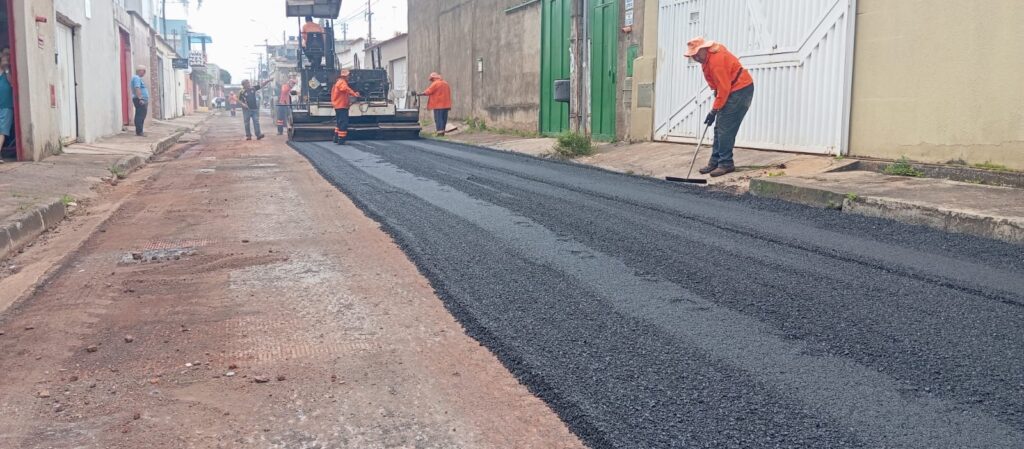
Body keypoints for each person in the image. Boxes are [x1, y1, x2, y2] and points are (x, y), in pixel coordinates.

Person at [685, 37, 754, 177]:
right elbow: (718, 86)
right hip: (731, 89)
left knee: (725, 128)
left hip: (740, 89)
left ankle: (726, 164)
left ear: (704, 49)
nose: (696, 57)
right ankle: (715, 161)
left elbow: (724, 88)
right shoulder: (706, 60)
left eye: (697, 54)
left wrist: (714, 110)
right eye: (693, 56)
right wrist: (716, 107)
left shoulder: (716, 61)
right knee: (719, 127)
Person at [330, 69, 360, 145]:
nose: (349, 77)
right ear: (345, 76)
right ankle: (341, 139)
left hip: (339, 105)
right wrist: (354, 94)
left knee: (339, 122)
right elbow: (345, 89)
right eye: (348, 75)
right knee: (343, 122)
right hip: (341, 106)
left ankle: (336, 138)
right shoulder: (341, 82)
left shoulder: (339, 82)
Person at [131, 65, 150, 136]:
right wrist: (141, 98)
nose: (144, 73)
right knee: (140, 116)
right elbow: (137, 88)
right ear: (140, 71)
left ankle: (140, 131)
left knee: (141, 115)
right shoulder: (136, 78)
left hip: (140, 99)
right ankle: (139, 132)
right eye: (144, 71)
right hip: (140, 100)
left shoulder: (137, 78)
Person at [0, 55, 12, 163]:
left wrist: (7, 69)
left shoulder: (8, 72)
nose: (5, 60)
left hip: (6, 106)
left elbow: (12, 83)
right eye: (3, 58)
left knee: (2, 131)